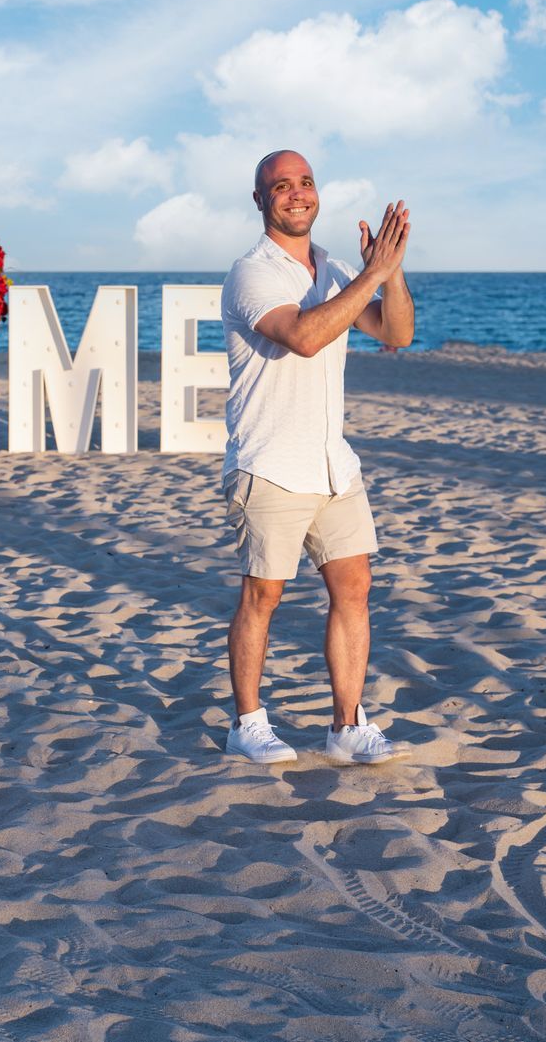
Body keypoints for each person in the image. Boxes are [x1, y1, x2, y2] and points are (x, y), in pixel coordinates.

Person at [219, 149, 414, 764]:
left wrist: (390, 272)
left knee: (354, 587)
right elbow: (303, 337)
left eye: (305, 182)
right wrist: (367, 276)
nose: (297, 193)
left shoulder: (332, 268)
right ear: (260, 200)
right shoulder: (253, 273)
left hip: (334, 463)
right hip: (270, 462)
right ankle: (247, 723)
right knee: (263, 594)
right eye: (281, 186)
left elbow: (397, 333)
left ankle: (346, 726)